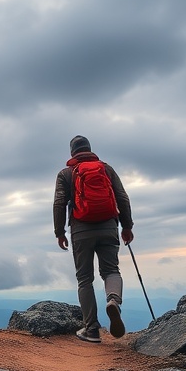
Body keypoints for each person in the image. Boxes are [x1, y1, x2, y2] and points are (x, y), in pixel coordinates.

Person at [53, 135, 134, 342]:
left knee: (84, 279)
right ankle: (113, 301)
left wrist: (60, 232)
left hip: (81, 230)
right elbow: (122, 197)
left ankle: (91, 330)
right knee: (111, 271)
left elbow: (59, 203)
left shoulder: (66, 174)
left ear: (72, 153)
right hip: (108, 227)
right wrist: (127, 226)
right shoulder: (106, 169)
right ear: (89, 149)